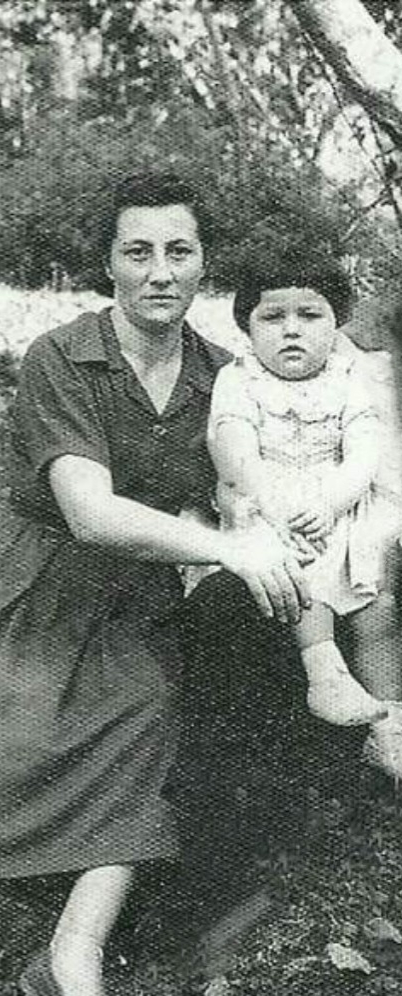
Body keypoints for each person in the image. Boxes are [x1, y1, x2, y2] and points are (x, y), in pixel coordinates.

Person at [0, 173, 310, 996]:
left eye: (178, 252)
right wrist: (225, 548)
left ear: (203, 264)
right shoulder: (62, 356)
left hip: (130, 595)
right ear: (107, 263)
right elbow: (88, 512)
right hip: (28, 579)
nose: (160, 272)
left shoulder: (219, 375)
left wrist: (265, 522)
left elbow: (236, 482)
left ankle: (71, 954)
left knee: (147, 719)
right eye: (137, 252)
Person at [207, 237, 401, 744]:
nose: (292, 329)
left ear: (336, 323)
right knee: (300, 567)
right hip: (268, 504)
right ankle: (324, 672)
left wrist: (331, 501)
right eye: (273, 317)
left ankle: (389, 720)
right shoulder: (238, 378)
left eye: (310, 315)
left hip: (338, 505)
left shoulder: (348, 377)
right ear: (247, 326)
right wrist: (274, 506)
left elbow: (364, 451)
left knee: (378, 596)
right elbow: (236, 452)